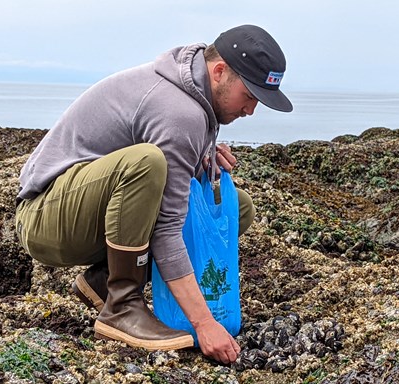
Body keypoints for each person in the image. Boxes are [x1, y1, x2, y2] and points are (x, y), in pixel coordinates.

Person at [15, 24, 292, 364]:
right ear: (219, 71)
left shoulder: (195, 95)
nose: (251, 110)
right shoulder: (179, 110)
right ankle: (121, 306)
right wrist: (203, 324)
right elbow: (166, 227)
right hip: (45, 218)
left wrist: (199, 156)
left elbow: (169, 191)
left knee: (236, 209)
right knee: (146, 164)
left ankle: (104, 281)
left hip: (84, 210)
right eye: (249, 96)